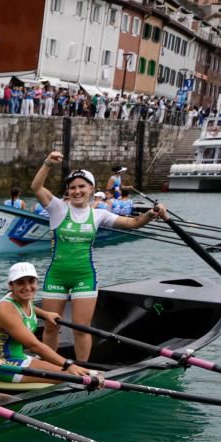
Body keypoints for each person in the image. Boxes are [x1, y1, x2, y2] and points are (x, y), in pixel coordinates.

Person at [29, 152, 163, 361]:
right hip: (56, 276)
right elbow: (36, 188)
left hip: (85, 277)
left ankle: (82, 371)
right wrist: (47, 163)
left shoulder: (99, 214)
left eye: (82, 186)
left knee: (82, 329)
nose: (77, 191)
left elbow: (134, 223)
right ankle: (50, 368)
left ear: (92, 189)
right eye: (73, 187)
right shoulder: (57, 208)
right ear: (68, 191)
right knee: (51, 326)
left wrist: (150, 214)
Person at [0, 262, 89, 382]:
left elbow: (29, 307)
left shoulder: (22, 298)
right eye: (20, 283)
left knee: (77, 374)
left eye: (31, 281)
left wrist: (45, 314)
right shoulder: (6, 309)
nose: (28, 287)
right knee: (75, 377)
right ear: (10, 285)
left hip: (19, 358)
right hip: (1, 365)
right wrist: (68, 364)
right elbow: (35, 346)